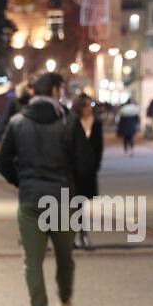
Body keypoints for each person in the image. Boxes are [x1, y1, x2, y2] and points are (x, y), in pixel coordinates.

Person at [0, 71, 87, 306]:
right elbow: (84, 162)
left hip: (30, 200)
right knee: (64, 256)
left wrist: (20, 180)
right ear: (57, 91)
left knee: (32, 260)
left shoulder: (17, 122)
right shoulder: (69, 121)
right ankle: (65, 301)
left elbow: (3, 162)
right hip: (61, 198)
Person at [71, 93, 104, 250]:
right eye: (86, 105)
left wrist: (95, 165)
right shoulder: (72, 122)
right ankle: (76, 235)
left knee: (81, 203)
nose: (89, 109)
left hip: (88, 170)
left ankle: (82, 234)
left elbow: (99, 148)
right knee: (72, 203)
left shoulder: (96, 124)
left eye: (91, 105)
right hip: (73, 169)